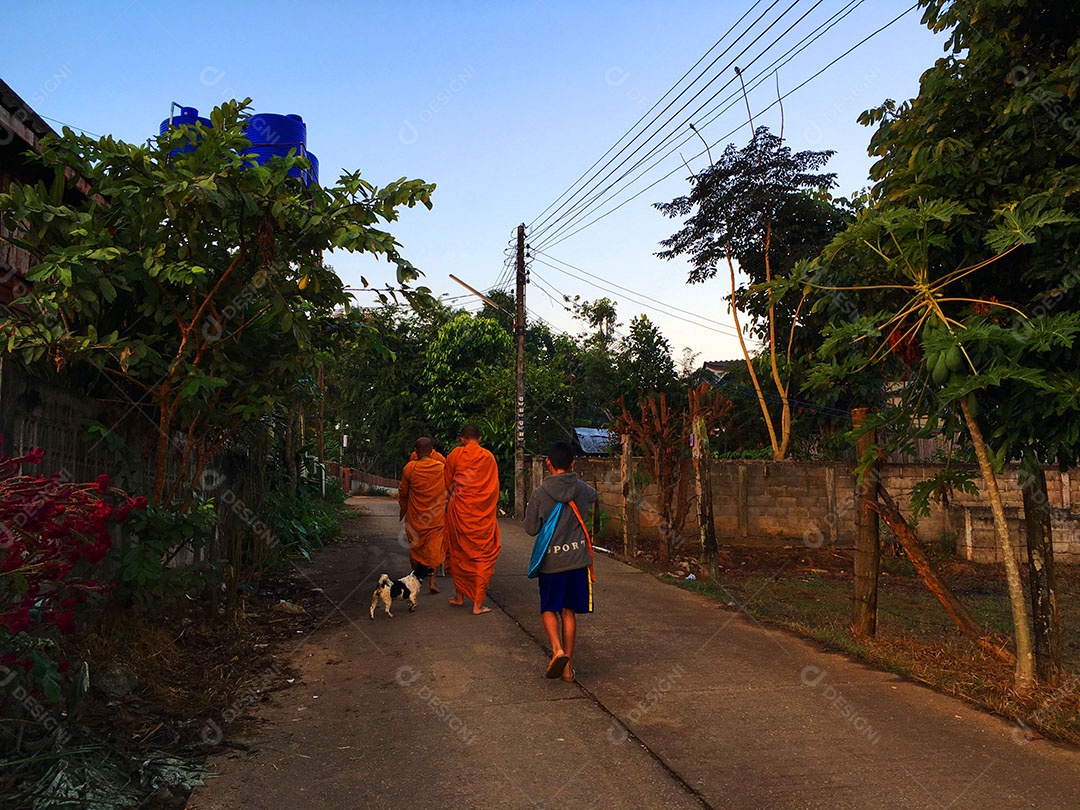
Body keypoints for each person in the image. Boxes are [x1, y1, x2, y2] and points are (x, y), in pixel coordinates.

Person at [524, 440, 597, 682]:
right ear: (573, 463)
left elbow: (531, 528)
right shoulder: (582, 489)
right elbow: (593, 496)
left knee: (548, 608)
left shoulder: (540, 493)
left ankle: (557, 650)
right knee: (569, 612)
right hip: (577, 561)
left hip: (551, 563)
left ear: (548, 462)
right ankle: (567, 669)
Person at [444, 424, 501, 615]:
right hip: (482, 516)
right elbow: (493, 488)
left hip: (459, 514)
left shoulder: (454, 455)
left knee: (458, 553)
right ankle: (477, 604)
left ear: (462, 439)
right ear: (481, 438)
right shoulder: (488, 457)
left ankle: (459, 596)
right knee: (482, 556)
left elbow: (448, 483)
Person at [398, 437, 447, 593]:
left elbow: (403, 492)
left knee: (415, 548)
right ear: (432, 451)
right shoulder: (442, 467)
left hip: (416, 517)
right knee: (434, 549)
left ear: (416, 451)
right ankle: (433, 582)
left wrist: (403, 508)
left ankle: (417, 579)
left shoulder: (410, 468)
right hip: (435, 516)